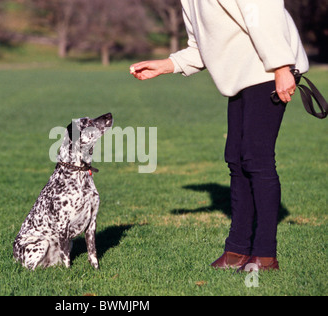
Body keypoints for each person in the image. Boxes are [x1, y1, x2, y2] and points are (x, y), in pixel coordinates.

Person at [130, 0, 309, 271]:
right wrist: (167, 65)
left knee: (256, 159)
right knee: (236, 159)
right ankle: (237, 250)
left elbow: (264, 12)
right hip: (241, 76)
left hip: (266, 71)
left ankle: (265, 255)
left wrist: (282, 67)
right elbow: (203, 48)